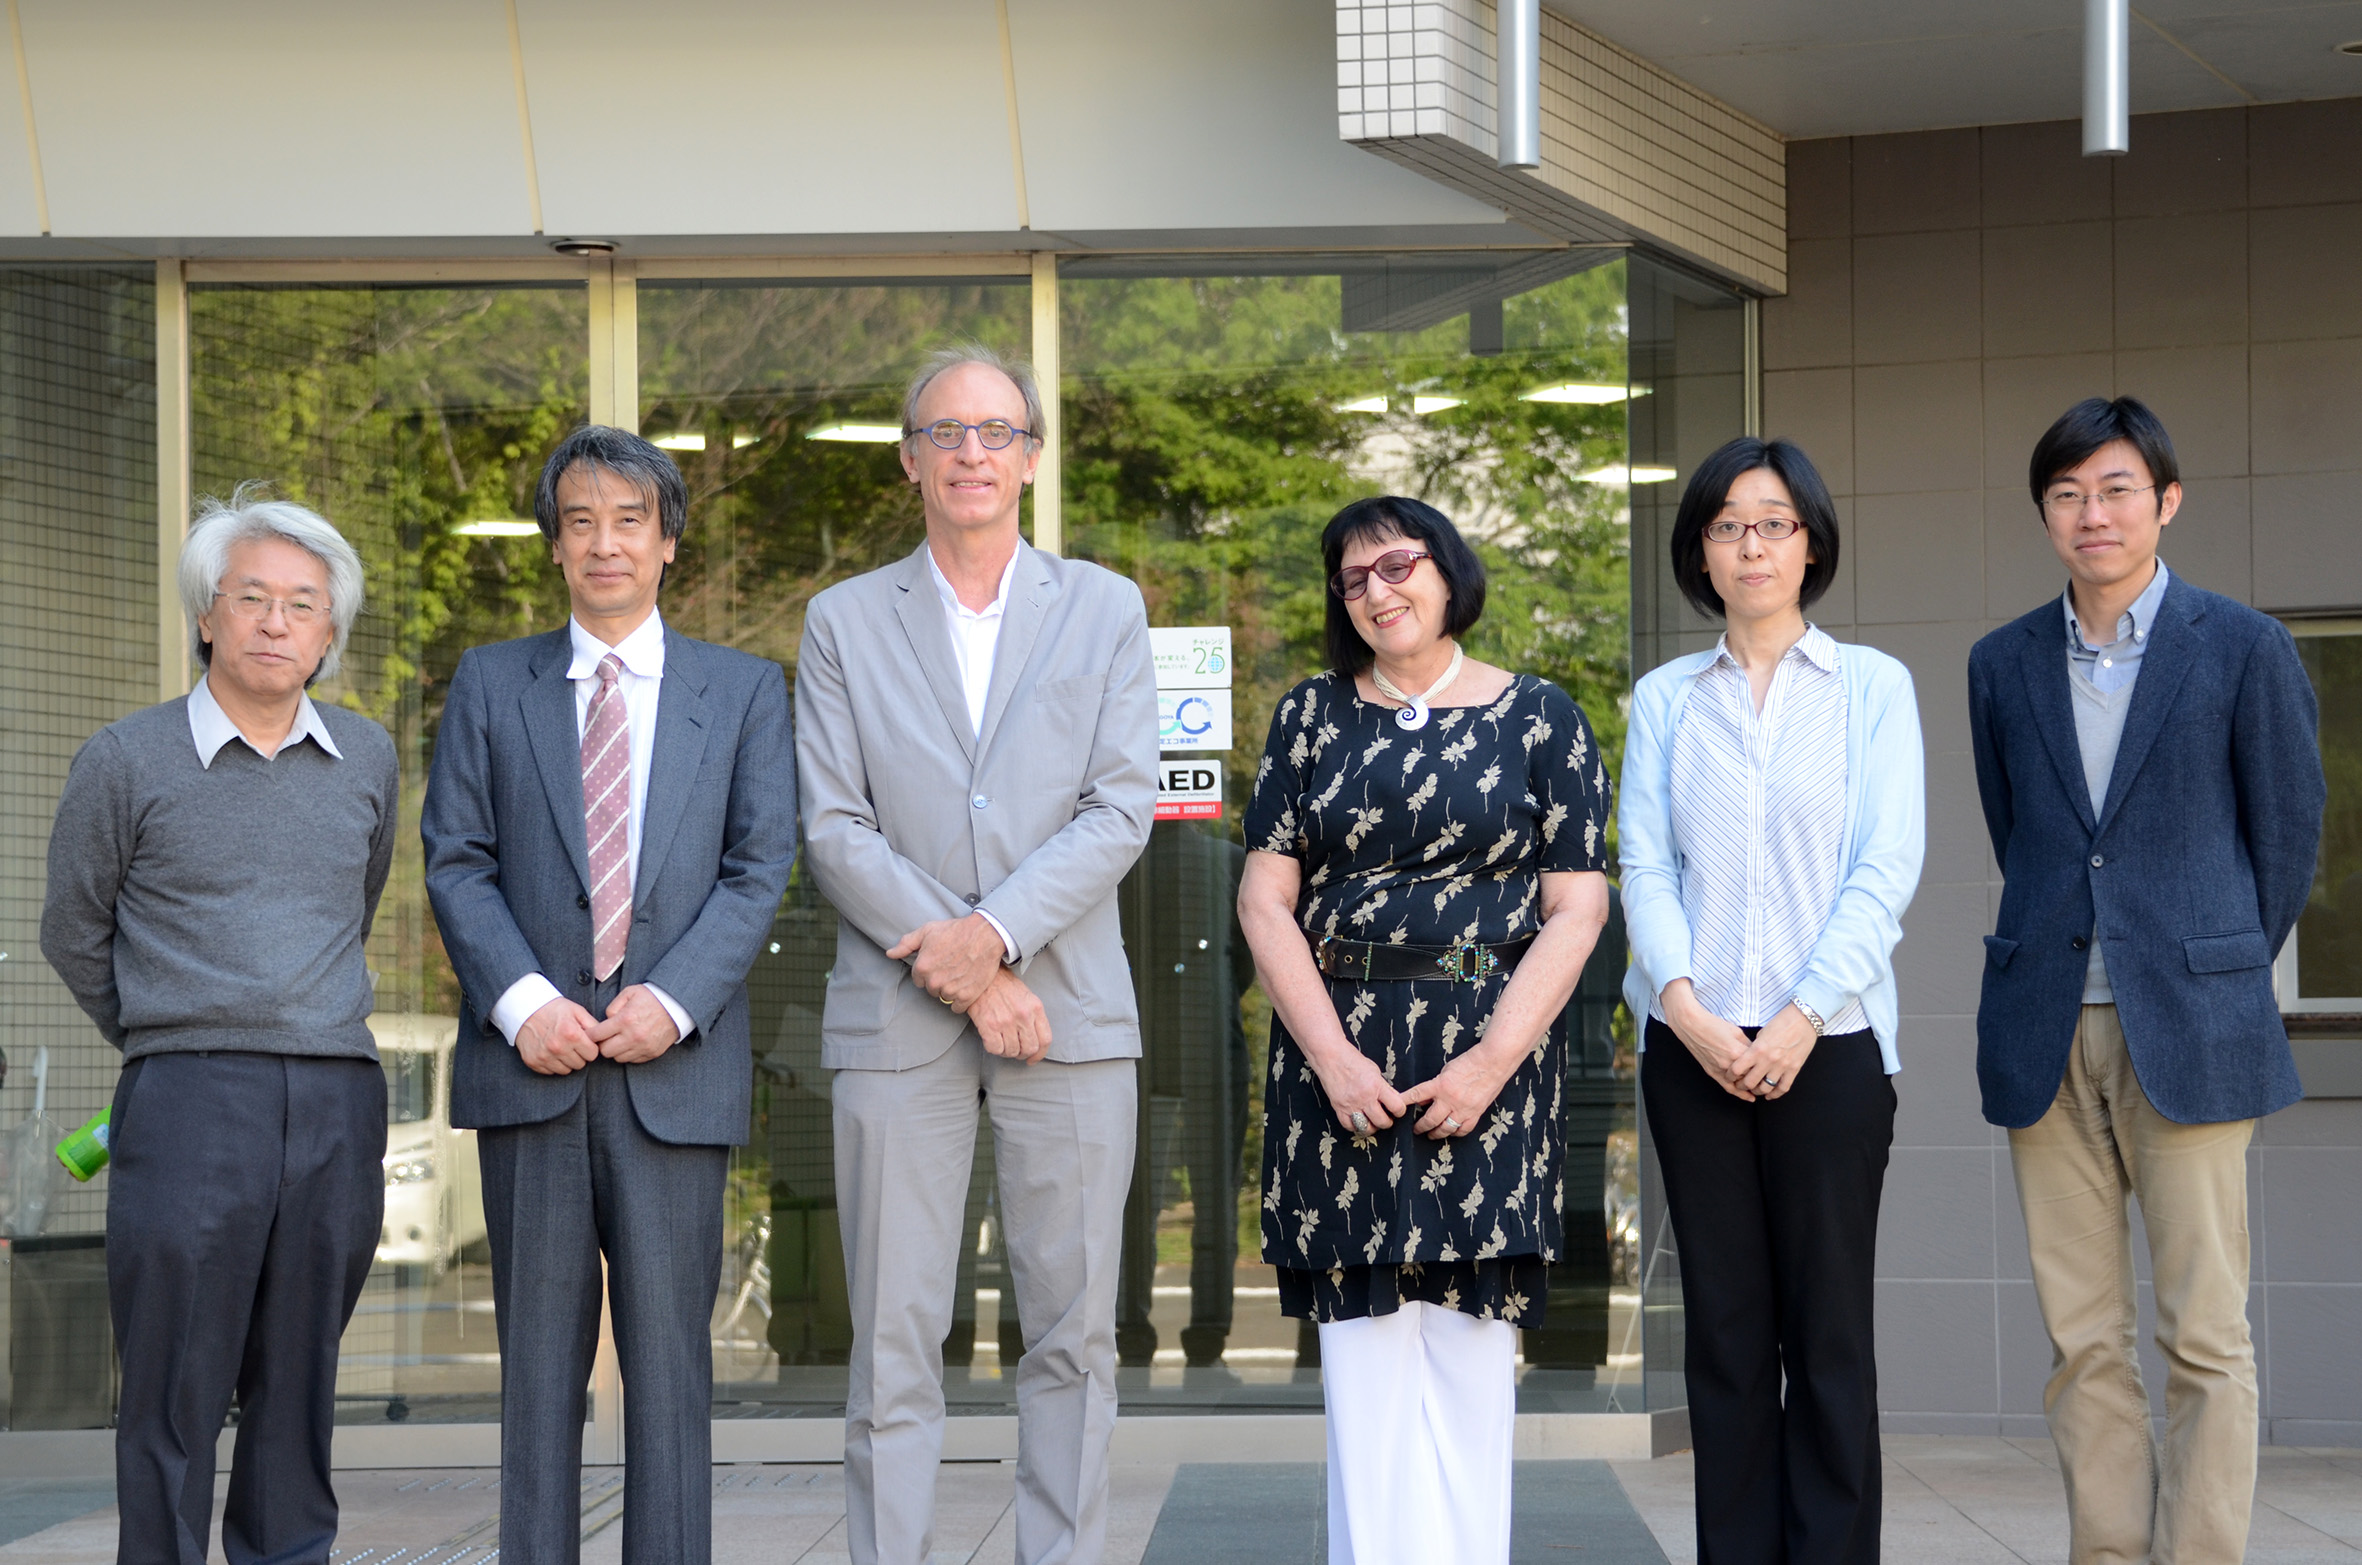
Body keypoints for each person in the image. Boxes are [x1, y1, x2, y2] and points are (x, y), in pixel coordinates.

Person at [795, 343, 1159, 1565]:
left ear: (1032, 459)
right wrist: (966, 969)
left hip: (1069, 1019)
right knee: (893, 1342)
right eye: (945, 432)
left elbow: (1119, 805)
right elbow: (831, 822)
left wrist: (996, 939)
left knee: (1069, 1336)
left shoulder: (1104, 606)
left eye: (996, 431)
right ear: (908, 459)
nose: (970, 453)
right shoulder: (843, 618)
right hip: (897, 1026)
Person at [421, 425, 799, 1564]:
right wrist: (524, 999)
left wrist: (673, 998)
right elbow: (456, 857)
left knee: (671, 1370)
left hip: (669, 1072)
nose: (604, 542)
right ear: (552, 544)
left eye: (629, 519)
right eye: (579, 519)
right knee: (536, 1373)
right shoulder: (493, 680)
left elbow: (759, 860)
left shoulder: (740, 690)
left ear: (668, 541)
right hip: (528, 1069)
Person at [1969, 396, 2322, 1565]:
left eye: (2115, 488)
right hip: (2045, 1029)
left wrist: (2205, 957)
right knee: (2082, 1337)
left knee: (2205, 1336)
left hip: (2192, 1028)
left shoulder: (2242, 644)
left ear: (2165, 500)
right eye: (2066, 493)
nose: (2091, 514)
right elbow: (2020, 829)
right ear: (2044, 512)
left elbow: (2283, 842)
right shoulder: (2001, 660)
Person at [1238, 495, 1612, 1565]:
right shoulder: (1309, 715)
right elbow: (1265, 901)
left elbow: (1576, 909)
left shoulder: (1541, 716)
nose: (1377, 591)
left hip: (1487, 1049)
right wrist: (1333, 1056)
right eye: (1352, 579)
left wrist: (1491, 1061)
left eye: (1396, 565)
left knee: (1466, 1348)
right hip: (1337, 1046)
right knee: (1361, 1365)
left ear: (1447, 571)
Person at [42, 492, 398, 1565]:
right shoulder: (126, 758)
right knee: (174, 1383)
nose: (277, 623)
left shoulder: (369, 758)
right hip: (190, 1099)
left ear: (330, 632)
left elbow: (357, 902)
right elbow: (73, 928)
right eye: (253, 599)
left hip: (337, 1095)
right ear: (208, 615)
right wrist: (171, 1030)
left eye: (304, 605)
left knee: (298, 1381)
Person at [1618, 437, 1924, 1565]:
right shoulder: (1664, 698)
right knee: (1728, 1340)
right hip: (1691, 1052)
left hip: (1831, 1048)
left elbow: (1883, 866)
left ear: (1810, 541)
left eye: (1775, 521)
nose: (1752, 543)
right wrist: (1689, 1010)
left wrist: (1796, 1016)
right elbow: (1645, 867)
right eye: (1727, 524)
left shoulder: (1871, 689)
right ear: (1699, 549)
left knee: (1829, 1336)